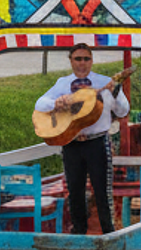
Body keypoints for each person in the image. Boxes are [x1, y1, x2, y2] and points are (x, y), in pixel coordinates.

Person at [34, 43, 130, 235]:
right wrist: (57, 102)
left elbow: (123, 110)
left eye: (86, 58)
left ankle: (108, 232)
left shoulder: (103, 83)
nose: (82, 63)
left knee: (102, 189)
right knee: (74, 190)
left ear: (91, 60)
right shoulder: (62, 84)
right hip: (72, 143)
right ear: (71, 61)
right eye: (78, 59)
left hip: (97, 142)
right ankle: (79, 233)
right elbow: (40, 104)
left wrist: (116, 93)